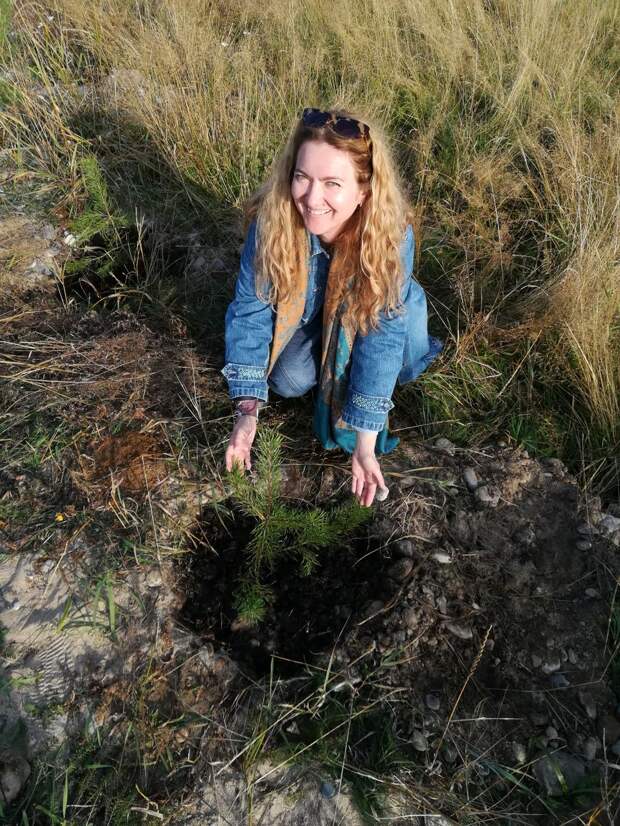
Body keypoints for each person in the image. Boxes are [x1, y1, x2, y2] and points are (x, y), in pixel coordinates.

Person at [222, 107, 442, 507]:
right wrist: (246, 411)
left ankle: (400, 299)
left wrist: (365, 442)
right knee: (287, 381)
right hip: (313, 314)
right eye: (302, 177)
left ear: (363, 191)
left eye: (332, 183)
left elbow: (382, 335)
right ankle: (331, 340)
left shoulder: (390, 236)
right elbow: (250, 312)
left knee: (405, 365)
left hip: (379, 313)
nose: (311, 198)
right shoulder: (273, 221)